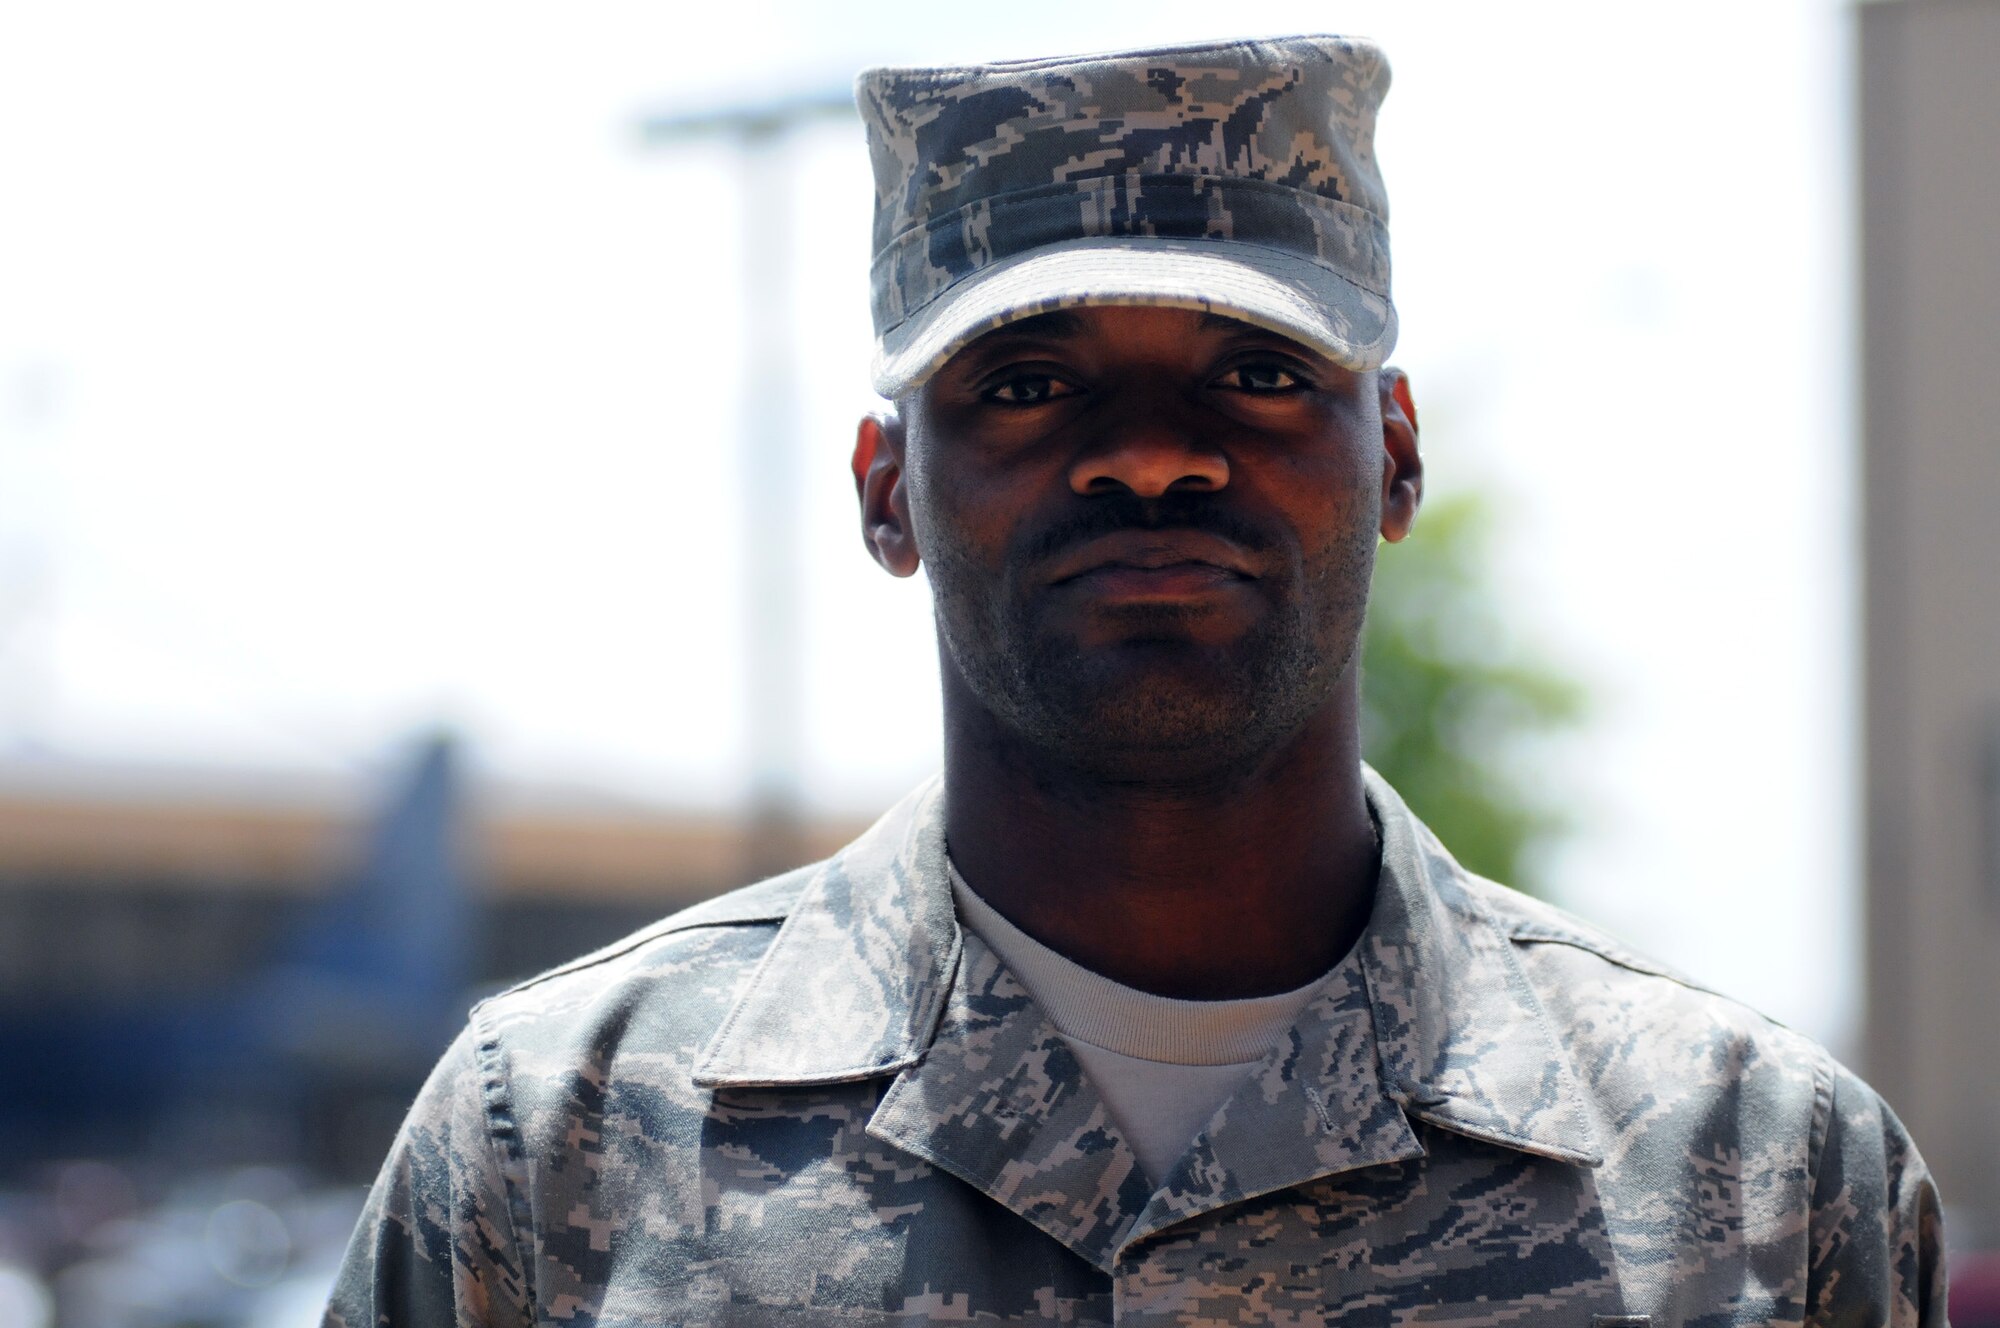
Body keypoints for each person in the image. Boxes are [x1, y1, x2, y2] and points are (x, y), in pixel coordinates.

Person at [325, 35, 1946, 1326]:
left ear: (1390, 456)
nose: (1156, 455)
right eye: (1030, 384)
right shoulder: (556, 1140)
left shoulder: (1758, 1172)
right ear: (888, 490)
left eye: (1258, 373)